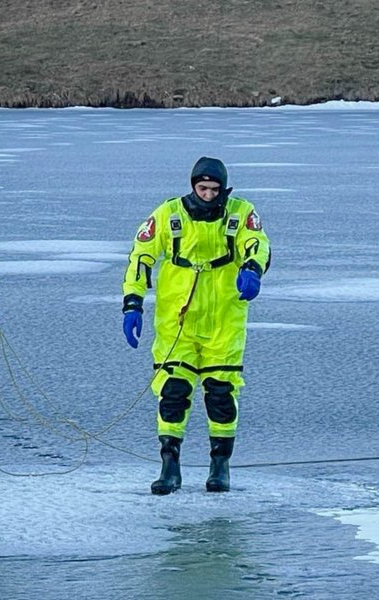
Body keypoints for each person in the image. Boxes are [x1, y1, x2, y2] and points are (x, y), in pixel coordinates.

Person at [122, 157, 270, 494]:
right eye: (201, 188)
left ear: (223, 189)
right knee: (173, 392)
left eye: (214, 189)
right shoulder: (168, 214)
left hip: (224, 319)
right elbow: (141, 256)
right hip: (178, 321)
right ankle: (169, 465)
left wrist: (252, 268)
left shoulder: (241, 212)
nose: (207, 195)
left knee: (221, 393)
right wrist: (133, 302)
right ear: (192, 186)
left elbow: (258, 243)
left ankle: (220, 465)